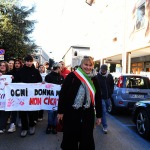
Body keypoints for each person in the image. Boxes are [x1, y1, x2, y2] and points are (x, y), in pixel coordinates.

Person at [57, 56, 102, 150]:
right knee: (70, 140)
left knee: (86, 141)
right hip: (71, 113)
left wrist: (99, 115)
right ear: (81, 65)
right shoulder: (72, 76)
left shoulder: (94, 79)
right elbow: (63, 94)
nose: (88, 67)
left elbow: (98, 98)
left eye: (90, 65)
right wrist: (60, 111)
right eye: (86, 64)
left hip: (88, 114)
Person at [15, 55, 42, 137]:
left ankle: (32, 126)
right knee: (22, 112)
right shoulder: (20, 71)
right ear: (25, 61)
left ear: (32, 61)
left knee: (31, 112)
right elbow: (15, 81)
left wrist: (42, 83)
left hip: (32, 96)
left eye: (30, 61)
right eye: (27, 61)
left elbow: (39, 81)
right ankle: (24, 128)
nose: (29, 63)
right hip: (22, 96)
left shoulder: (36, 71)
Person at [45, 62, 64, 134]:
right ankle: (49, 125)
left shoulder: (61, 77)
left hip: (58, 99)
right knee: (50, 112)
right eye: (61, 68)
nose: (61, 69)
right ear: (58, 68)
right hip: (50, 98)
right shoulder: (49, 76)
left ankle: (54, 126)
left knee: (56, 112)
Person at [96, 64, 114, 134]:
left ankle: (100, 118)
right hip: (101, 97)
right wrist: (98, 94)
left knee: (106, 109)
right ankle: (105, 126)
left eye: (104, 70)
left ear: (106, 70)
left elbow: (112, 85)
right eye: (102, 70)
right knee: (103, 111)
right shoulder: (98, 77)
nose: (103, 72)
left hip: (108, 97)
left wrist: (111, 92)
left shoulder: (109, 76)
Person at [7, 59, 23, 133]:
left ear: (20, 64)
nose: (16, 64)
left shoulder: (23, 72)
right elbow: (5, 79)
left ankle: (20, 119)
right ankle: (13, 124)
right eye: (15, 63)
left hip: (21, 93)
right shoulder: (10, 72)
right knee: (13, 108)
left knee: (21, 107)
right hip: (12, 93)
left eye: (18, 63)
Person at [0, 61, 12, 133]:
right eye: (1, 65)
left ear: (6, 67)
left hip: (5, 97)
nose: (2, 66)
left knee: (4, 112)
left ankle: (2, 127)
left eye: (4, 65)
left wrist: (11, 81)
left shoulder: (9, 75)